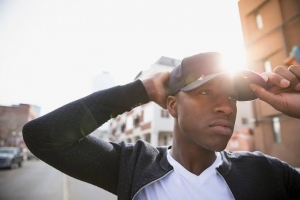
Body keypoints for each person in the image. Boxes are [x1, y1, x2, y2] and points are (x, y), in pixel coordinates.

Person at [22, 52, 300, 200]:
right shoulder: (133, 167)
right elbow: (43, 136)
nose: (226, 106)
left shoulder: (267, 173)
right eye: (206, 92)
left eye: (231, 96)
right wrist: (142, 90)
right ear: (172, 106)